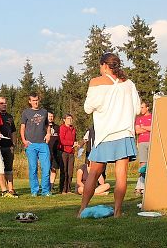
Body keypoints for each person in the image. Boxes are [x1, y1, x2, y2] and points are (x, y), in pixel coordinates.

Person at [78, 52, 141, 218]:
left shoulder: (95, 82)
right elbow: (137, 109)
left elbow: (87, 108)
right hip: (125, 134)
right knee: (121, 175)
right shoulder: (129, 84)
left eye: (100, 66)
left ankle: (82, 210)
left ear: (105, 65)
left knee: (93, 174)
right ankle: (118, 212)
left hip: (105, 135)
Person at [20, 93, 52, 197]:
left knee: (46, 168)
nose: (35, 102)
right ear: (30, 102)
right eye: (33, 100)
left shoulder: (44, 112)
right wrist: (24, 141)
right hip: (31, 145)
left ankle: (45, 191)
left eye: (37, 100)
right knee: (33, 169)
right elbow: (22, 127)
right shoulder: (26, 112)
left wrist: (48, 134)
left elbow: (48, 125)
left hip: (43, 144)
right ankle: (34, 191)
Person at [134, 101, 152, 195]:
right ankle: (140, 186)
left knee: (151, 165)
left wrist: (143, 127)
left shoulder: (153, 117)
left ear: (147, 108)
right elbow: (137, 131)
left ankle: (147, 186)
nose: (141, 109)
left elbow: (153, 128)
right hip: (142, 143)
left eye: (142, 107)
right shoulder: (138, 118)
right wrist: (147, 128)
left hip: (152, 142)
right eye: (140, 107)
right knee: (142, 165)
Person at [59, 114, 77, 194]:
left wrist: (76, 144)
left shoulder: (73, 129)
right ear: (64, 120)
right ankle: (63, 189)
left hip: (71, 152)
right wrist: (72, 143)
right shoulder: (62, 128)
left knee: (70, 171)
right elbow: (62, 141)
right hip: (64, 152)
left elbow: (75, 139)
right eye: (68, 119)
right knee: (64, 171)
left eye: (71, 119)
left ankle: (69, 189)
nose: (70, 120)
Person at [47, 112, 61, 192]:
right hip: (46, 150)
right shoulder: (43, 127)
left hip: (55, 151)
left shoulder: (57, 127)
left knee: (54, 168)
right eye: (49, 116)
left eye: (52, 116)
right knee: (46, 169)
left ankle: (51, 185)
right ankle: (46, 185)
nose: (51, 118)